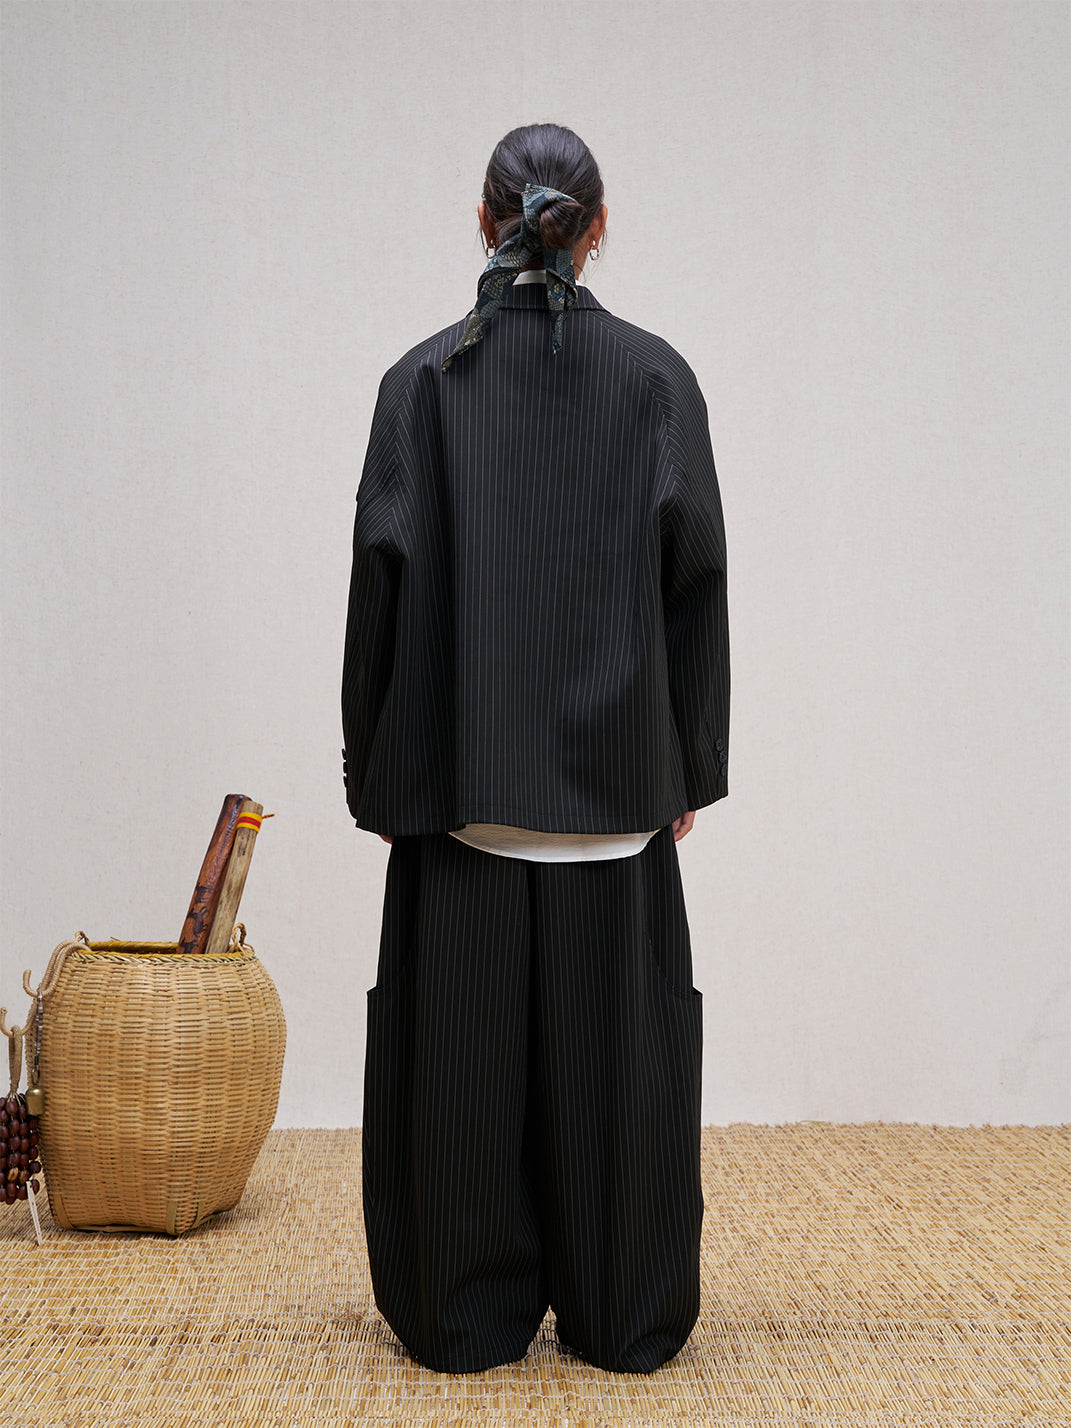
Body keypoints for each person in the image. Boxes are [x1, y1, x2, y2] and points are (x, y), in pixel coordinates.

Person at [342, 122, 729, 1375]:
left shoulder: (420, 383)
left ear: (483, 218)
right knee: (622, 1097)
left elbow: (379, 589)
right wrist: (688, 764)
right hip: (617, 798)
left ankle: (462, 1318)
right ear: (597, 228)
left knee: (457, 1091)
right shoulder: (657, 380)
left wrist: (378, 776)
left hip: (461, 794)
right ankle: (622, 1316)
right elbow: (696, 579)